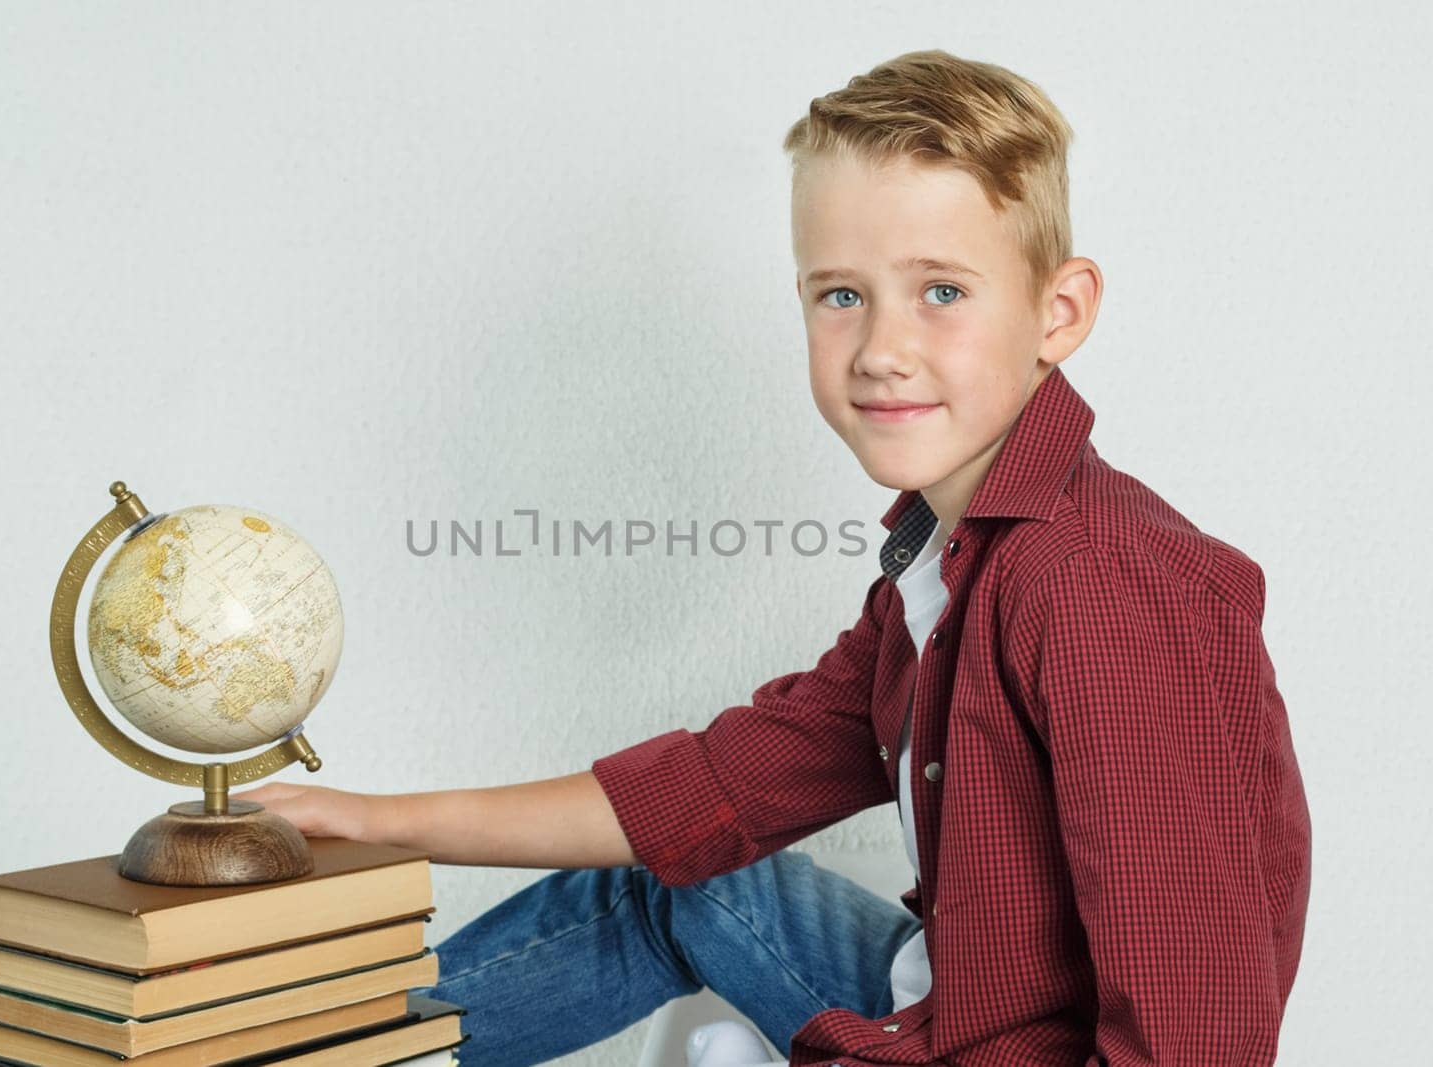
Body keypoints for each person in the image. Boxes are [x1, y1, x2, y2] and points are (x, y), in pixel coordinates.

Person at [233, 48, 1311, 1067]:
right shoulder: (948, 564)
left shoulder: (1095, 587)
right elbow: (709, 790)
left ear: (1057, 310)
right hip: (940, 1001)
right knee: (679, 879)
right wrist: (379, 821)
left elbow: (1194, 1032)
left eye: (941, 290)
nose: (882, 347)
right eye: (841, 294)